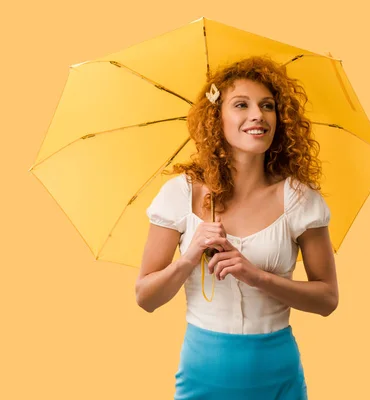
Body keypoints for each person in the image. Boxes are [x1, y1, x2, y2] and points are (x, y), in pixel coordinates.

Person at [135, 56, 339, 400]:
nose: (258, 115)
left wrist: (255, 275)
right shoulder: (180, 194)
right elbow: (145, 298)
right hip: (202, 376)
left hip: (278, 375)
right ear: (218, 119)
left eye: (268, 106)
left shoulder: (299, 199)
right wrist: (189, 257)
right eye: (241, 105)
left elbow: (327, 299)